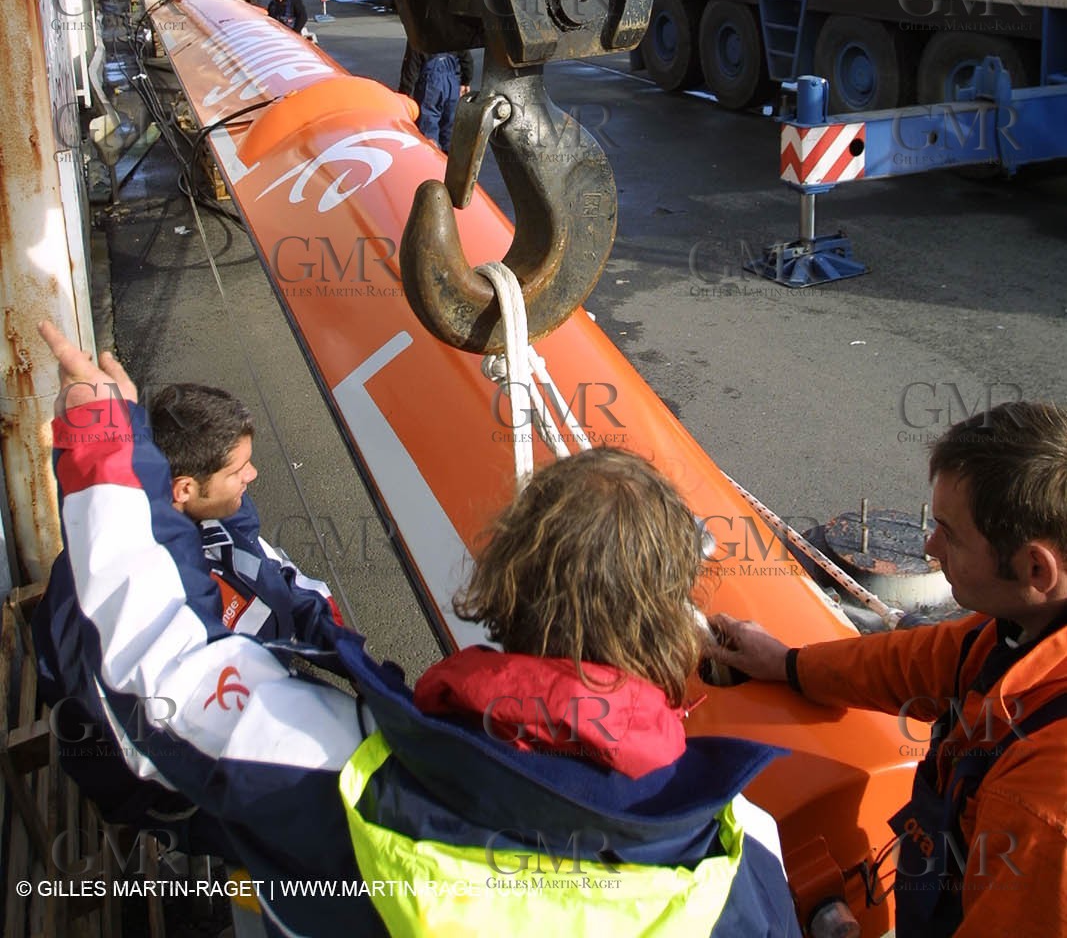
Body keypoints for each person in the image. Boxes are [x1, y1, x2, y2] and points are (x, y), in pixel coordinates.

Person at [38, 319, 799, 938]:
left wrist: (107, 435)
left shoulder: (334, 769)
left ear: (501, 583)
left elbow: (163, 668)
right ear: (672, 625)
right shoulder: (744, 848)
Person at [706, 402, 1067, 938]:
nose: (929, 546)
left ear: (1036, 567)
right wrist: (788, 664)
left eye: (949, 533)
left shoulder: (1043, 805)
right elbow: (915, 663)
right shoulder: (1019, 633)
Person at [34, 370, 342, 836]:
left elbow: (272, 571)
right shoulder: (113, 606)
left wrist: (348, 651)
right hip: (175, 789)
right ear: (183, 489)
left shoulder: (213, 517)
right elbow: (138, 737)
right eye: (237, 471)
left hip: (236, 695)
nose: (252, 475)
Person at [399, 42, 474, 152]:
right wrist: (466, 81)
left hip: (430, 86)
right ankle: (448, 159)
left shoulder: (419, 34)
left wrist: (404, 94)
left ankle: (430, 157)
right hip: (452, 84)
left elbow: (411, 67)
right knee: (450, 128)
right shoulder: (453, 32)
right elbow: (466, 58)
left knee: (428, 128)